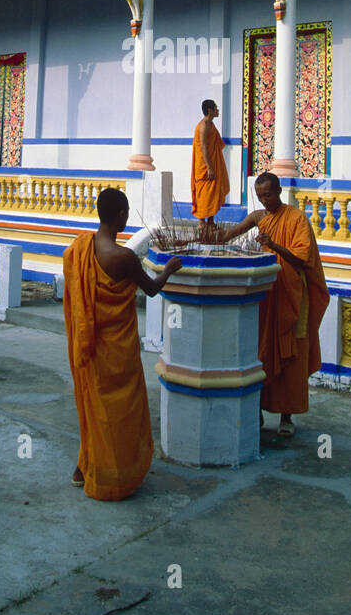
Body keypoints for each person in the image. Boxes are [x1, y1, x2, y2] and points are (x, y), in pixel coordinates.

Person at [62, 187, 182, 500]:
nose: (128, 217)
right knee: (119, 412)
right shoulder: (123, 257)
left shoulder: (81, 247)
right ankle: (113, 478)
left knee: (93, 407)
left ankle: (83, 467)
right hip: (116, 349)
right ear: (119, 215)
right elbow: (153, 289)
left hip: (90, 346)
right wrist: (169, 269)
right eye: (126, 212)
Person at [221, 172, 329, 437]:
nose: (264, 200)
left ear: (279, 191)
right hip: (268, 294)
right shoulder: (260, 218)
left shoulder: (296, 218)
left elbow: (303, 260)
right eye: (259, 196)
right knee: (261, 352)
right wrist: (207, 238)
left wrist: (275, 246)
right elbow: (232, 233)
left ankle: (286, 417)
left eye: (268, 195)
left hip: (291, 296)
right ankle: (256, 411)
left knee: (291, 353)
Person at [191, 99, 230, 236]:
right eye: (215, 108)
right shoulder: (203, 126)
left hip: (212, 162)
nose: (217, 110)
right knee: (204, 193)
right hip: (204, 165)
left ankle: (211, 221)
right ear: (210, 110)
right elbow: (202, 147)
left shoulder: (211, 124)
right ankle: (202, 221)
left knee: (213, 191)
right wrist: (209, 167)